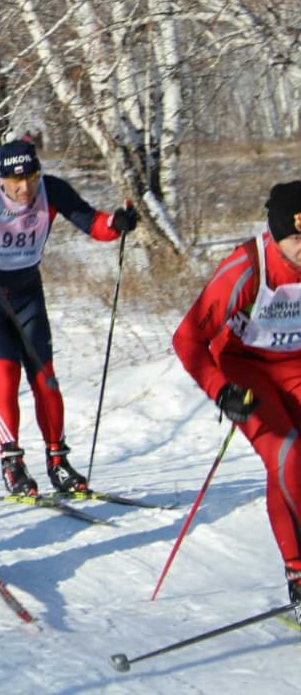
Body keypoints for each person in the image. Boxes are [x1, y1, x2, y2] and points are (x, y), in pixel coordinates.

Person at [0, 139, 138, 496]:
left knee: (45, 377)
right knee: (6, 372)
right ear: (0, 179)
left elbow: (94, 224)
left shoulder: (51, 190)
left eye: (31, 177)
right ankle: (12, 463)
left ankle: (57, 462)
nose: (24, 188)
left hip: (25, 293)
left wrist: (117, 222)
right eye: (14, 181)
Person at [173, 181, 301, 616]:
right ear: (279, 234)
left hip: (297, 365)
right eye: (297, 238)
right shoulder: (249, 266)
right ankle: (299, 572)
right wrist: (221, 390)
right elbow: (188, 338)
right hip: (246, 369)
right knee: (287, 455)